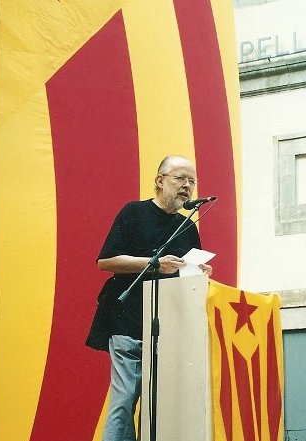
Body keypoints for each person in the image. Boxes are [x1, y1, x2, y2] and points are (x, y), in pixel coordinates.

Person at [86, 155, 212, 441]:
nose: (187, 186)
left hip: (168, 329)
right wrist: (154, 264)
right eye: (180, 178)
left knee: (163, 405)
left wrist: (199, 272)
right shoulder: (134, 213)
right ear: (159, 180)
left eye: (191, 181)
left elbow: (186, 278)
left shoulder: (188, 226)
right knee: (125, 398)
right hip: (127, 320)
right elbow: (106, 261)